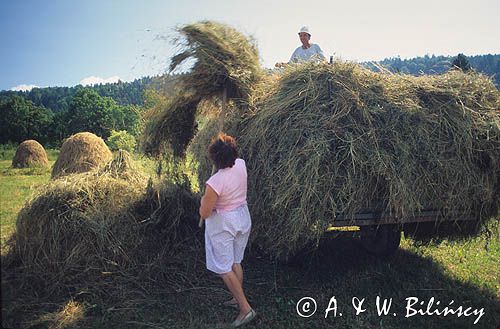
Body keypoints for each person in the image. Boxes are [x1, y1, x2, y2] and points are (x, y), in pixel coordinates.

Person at [199, 133, 256, 328]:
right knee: (235, 261)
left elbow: (205, 213)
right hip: (242, 217)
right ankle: (236, 298)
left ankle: (245, 309)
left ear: (214, 159)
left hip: (224, 224)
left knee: (223, 268)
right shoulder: (241, 164)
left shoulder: (214, 183)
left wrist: (202, 201)